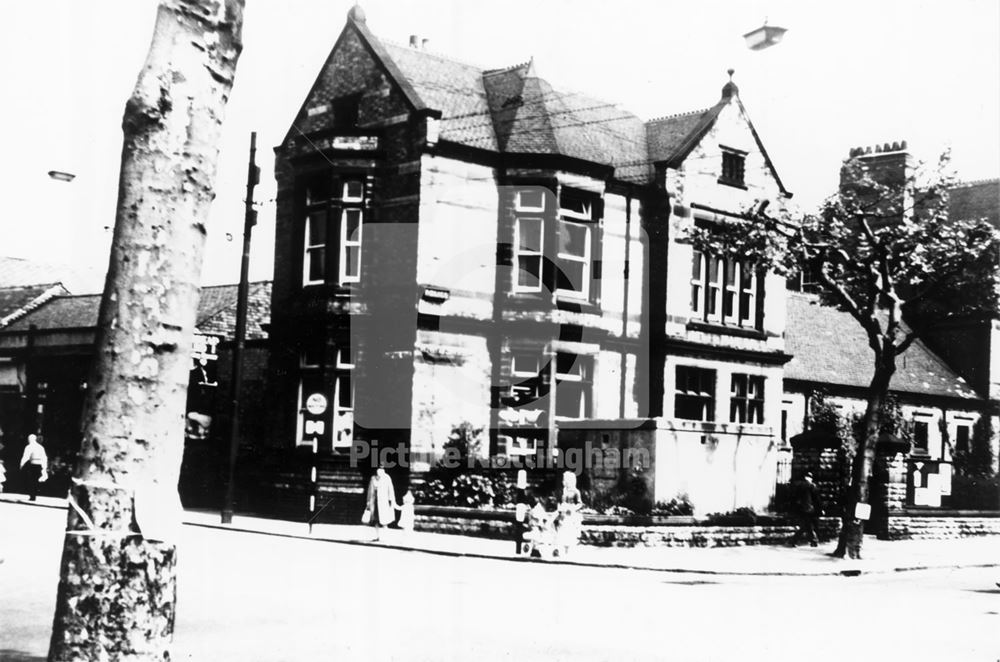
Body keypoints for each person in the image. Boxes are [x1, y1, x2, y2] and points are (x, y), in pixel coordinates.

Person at [363, 465, 399, 541]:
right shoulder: (373, 478)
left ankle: (386, 536)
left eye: (381, 470)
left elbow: (390, 489)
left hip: (383, 502)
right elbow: (369, 491)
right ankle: (377, 536)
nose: (379, 471)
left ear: (384, 470)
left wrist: (391, 500)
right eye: (378, 470)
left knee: (384, 520)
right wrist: (368, 501)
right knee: (376, 520)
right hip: (374, 502)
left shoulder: (387, 478)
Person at [554, 471, 583, 557]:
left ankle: (568, 551)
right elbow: (559, 501)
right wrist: (559, 507)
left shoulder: (576, 492)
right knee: (561, 530)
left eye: (565, 480)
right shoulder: (563, 491)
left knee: (569, 531)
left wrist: (573, 508)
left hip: (570, 514)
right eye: (563, 480)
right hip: (563, 513)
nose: (564, 482)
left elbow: (580, 503)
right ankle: (560, 550)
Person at [790, 471, 821, 547]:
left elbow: (795, 497)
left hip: (802, 508)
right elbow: (816, 498)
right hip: (808, 508)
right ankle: (813, 541)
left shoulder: (799, 485)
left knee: (806, 526)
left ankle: (796, 541)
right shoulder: (810, 486)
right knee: (808, 525)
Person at [20, 434, 48, 502]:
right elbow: (44, 457)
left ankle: (32, 495)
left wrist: (21, 464)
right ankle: (34, 494)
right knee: (35, 480)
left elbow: (25, 456)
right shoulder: (41, 447)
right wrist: (44, 467)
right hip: (39, 465)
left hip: (32, 465)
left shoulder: (29, 447)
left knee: (31, 480)